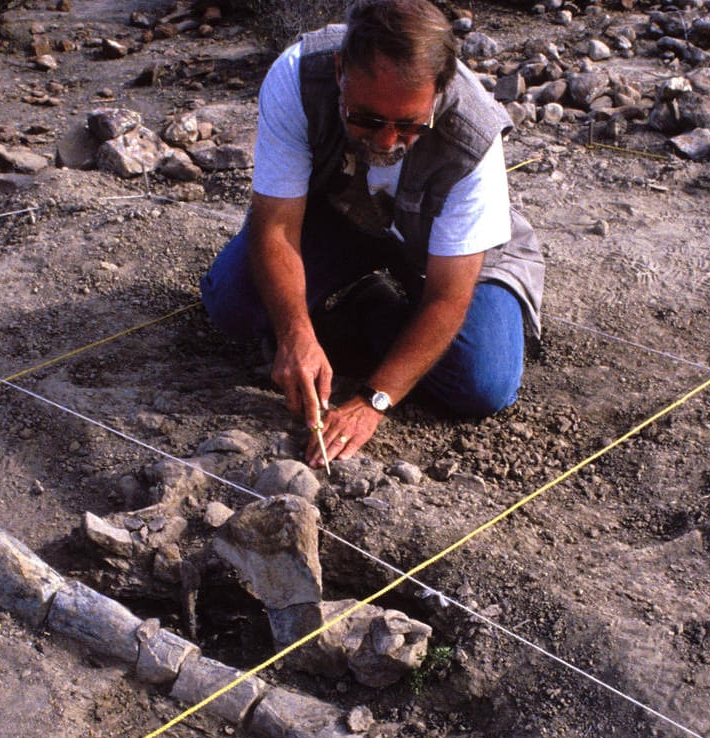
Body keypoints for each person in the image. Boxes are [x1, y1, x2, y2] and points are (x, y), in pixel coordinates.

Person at [200, 0, 544, 467]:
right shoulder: (298, 77)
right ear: (341, 70)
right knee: (234, 303)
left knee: (482, 383)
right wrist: (295, 332)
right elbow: (277, 226)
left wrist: (374, 400)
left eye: (407, 125)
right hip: (344, 215)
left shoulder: (474, 133)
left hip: (441, 248)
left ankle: (372, 311)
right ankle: (353, 305)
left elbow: (447, 296)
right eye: (366, 118)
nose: (385, 142)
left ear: (438, 94)